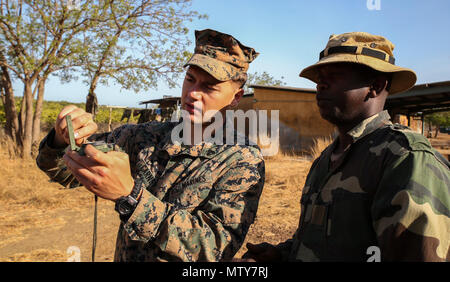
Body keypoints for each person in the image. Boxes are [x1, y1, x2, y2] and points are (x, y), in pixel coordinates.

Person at [36, 29, 265, 262]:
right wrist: (63, 137)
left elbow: (216, 247)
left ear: (236, 97)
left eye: (210, 86)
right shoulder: (143, 136)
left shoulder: (243, 159)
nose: (193, 93)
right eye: (190, 79)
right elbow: (63, 171)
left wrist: (131, 197)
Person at [243, 32, 450, 262]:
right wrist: (281, 255)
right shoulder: (327, 158)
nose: (321, 85)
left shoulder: (405, 158)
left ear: (376, 85)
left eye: (335, 75)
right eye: (320, 77)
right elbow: (323, 241)